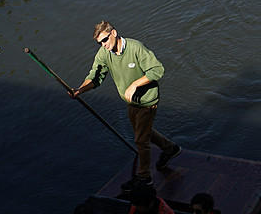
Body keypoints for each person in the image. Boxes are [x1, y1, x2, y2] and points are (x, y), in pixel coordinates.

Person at [70, 22, 182, 190]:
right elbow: (95, 76)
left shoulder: (136, 48)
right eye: (100, 42)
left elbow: (158, 70)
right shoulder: (104, 53)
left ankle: (144, 178)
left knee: (140, 140)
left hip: (146, 101)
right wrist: (80, 90)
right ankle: (170, 148)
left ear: (113, 33)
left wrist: (135, 84)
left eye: (105, 39)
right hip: (131, 102)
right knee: (143, 132)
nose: (104, 44)